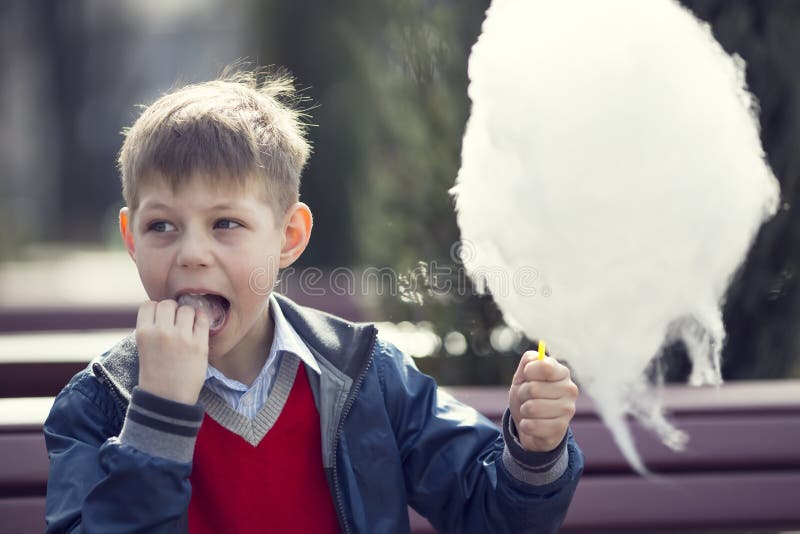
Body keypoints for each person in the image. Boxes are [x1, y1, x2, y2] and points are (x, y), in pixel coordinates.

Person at [43, 68, 584, 534]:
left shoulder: (367, 375)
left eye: (226, 223)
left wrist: (534, 449)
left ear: (289, 237)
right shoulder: (99, 404)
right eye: (162, 225)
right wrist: (158, 418)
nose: (192, 254)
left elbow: (492, 515)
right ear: (131, 239)